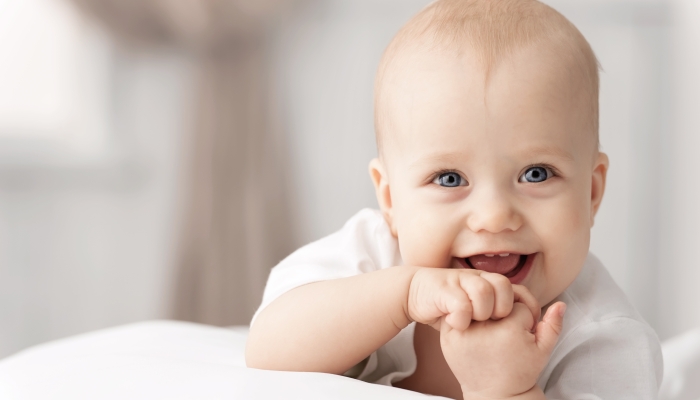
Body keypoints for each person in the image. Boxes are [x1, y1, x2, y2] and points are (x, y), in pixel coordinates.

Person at [245, 0, 663, 398]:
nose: (494, 217)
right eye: (449, 178)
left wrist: (505, 390)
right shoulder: (372, 254)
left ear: (591, 192)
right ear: (390, 200)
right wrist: (404, 296)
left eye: (535, 174)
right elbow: (268, 350)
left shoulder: (602, 341)